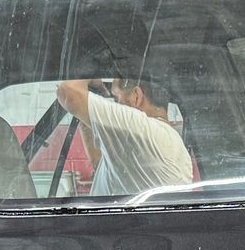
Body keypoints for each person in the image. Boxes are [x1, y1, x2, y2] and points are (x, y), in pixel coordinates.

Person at [54, 76, 192, 200]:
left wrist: (89, 74)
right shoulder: (167, 142)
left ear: (136, 97)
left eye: (116, 98)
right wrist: (86, 108)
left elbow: (68, 93)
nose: (116, 105)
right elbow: (99, 162)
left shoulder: (142, 129)